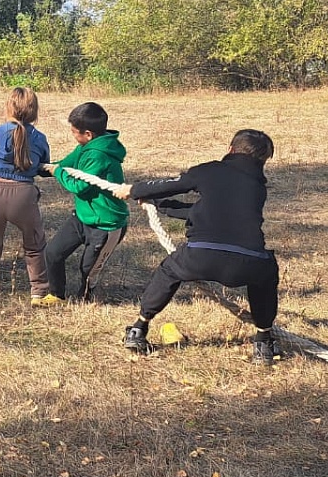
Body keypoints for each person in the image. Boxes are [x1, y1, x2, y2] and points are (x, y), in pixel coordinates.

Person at [113, 129, 282, 365]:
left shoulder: (210, 170)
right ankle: (264, 342)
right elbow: (204, 212)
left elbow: (171, 184)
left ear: (231, 150)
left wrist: (134, 190)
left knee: (169, 271)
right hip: (248, 263)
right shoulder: (257, 188)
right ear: (262, 161)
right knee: (265, 274)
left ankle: (139, 328)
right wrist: (159, 205)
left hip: (199, 257)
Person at [36, 102, 129, 305]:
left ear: (88, 134)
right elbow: (66, 165)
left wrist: (57, 171)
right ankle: (57, 295)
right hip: (82, 217)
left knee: (88, 269)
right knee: (53, 253)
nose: (72, 135)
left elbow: (78, 186)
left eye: (73, 131)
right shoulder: (86, 147)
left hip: (107, 225)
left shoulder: (98, 155)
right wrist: (40, 168)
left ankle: (86, 298)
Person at [0, 87, 51, 297]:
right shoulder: (38, 137)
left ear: (8, 107)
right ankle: (39, 288)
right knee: (34, 242)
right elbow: (43, 166)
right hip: (23, 194)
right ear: (34, 110)